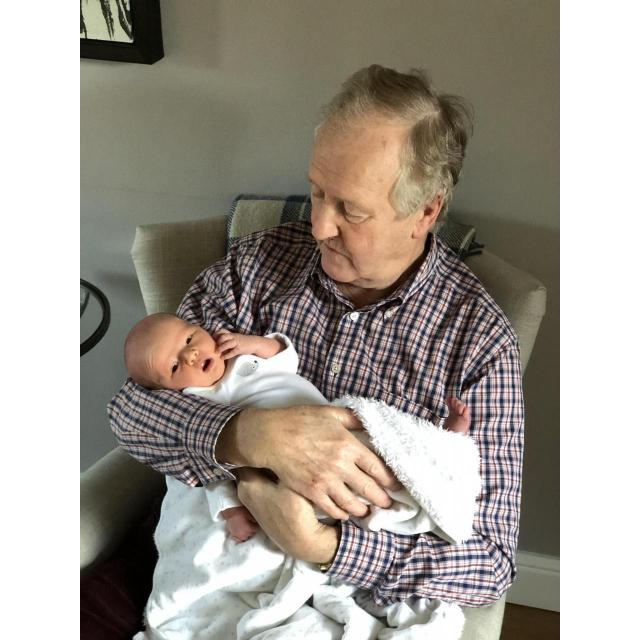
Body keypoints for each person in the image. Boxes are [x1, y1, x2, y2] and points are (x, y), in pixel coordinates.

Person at [108, 64, 524, 608]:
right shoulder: (254, 268)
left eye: (350, 210)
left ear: (426, 211)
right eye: (317, 193)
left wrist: (322, 545)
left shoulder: (478, 341)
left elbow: (490, 563)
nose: (320, 226)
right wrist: (247, 434)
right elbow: (131, 412)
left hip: (349, 596)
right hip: (217, 561)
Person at [123, 312, 472, 543]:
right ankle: (405, 510)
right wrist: (231, 513)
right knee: (330, 500)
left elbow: (285, 357)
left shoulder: (241, 356)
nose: (191, 356)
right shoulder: (198, 401)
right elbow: (214, 472)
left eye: (189, 339)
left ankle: (442, 444)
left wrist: (251, 343)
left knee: (382, 443)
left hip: (332, 427)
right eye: (174, 367)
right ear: (169, 390)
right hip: (284, 473)